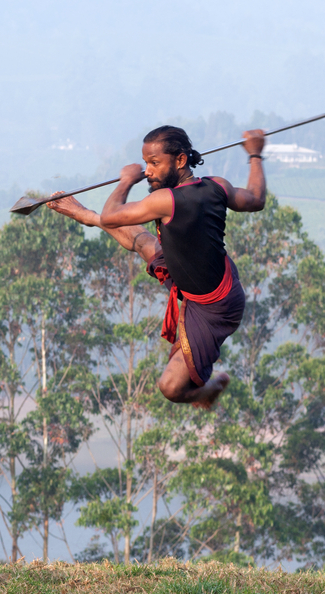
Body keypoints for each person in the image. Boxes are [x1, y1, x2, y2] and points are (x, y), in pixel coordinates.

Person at [47, 126, 266, 408]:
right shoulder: (217, 185)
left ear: (180, 160)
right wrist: (256, 155)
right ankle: (86, 216)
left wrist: (126, 181)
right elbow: (256, 199)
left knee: (171, 389)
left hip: (214, 306)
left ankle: (207, 392)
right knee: (144, 243)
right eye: (146, 163)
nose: (148, 171)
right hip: (195, 274)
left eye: (154, 163)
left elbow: (113, 216)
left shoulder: (166, 200)